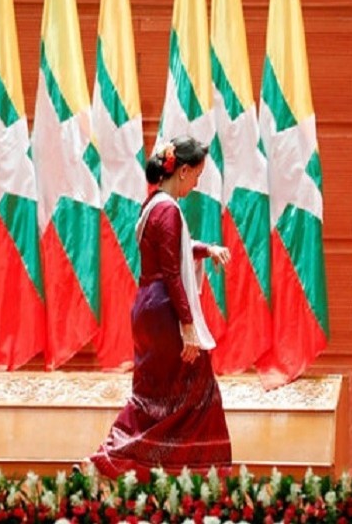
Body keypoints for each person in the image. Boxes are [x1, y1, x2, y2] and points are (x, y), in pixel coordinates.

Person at [90, 136, 232, 480]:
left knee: (154, 395)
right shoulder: (168, 209)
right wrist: (187, 326)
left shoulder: (153, 205)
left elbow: (174, 249)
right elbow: (171, 269)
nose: (197, 183)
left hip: (149, 308)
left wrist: (206, 249)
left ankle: (119, 461)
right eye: (197, 174)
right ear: (182, 171)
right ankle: (193, 476)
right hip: (166, 310)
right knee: (197, 393)